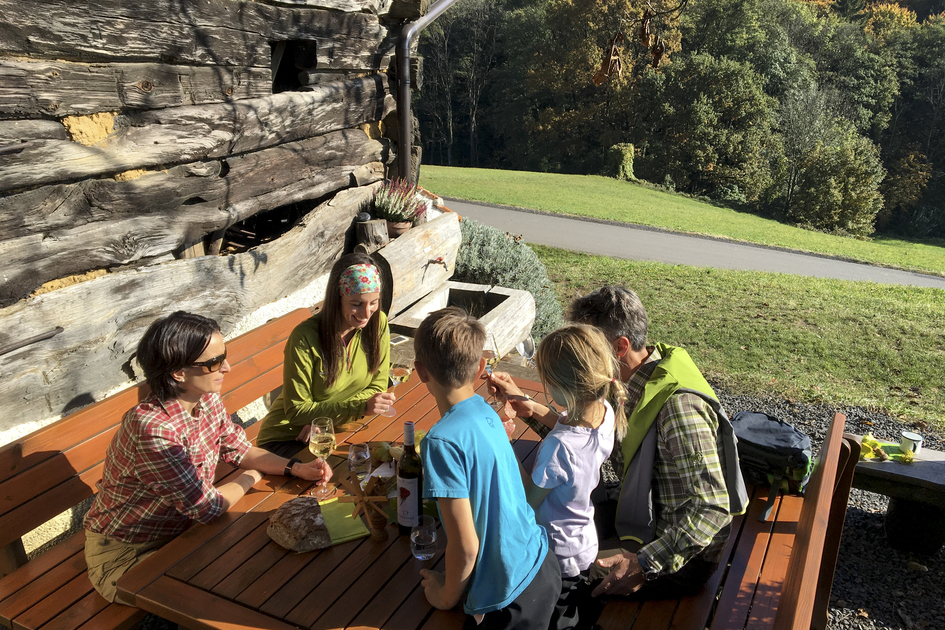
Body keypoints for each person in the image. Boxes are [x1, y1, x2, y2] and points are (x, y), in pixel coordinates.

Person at [492, 285, 746, 601]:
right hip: (643, 513)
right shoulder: (627, 377)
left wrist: (643, 563)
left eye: (588, 348)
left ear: (620, 346)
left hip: (674, 557)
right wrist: (528, 405)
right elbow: (582, 442)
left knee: (530, 570)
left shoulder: (679, 409)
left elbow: (713, 508)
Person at [84, 311, 332, 604]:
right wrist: (251, 476)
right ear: (178, 373)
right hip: (127, 553)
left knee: (262, 560)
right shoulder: (154, 430)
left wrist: (296, 468)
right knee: (230, 583)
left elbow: (239, 448)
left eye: (224, 356)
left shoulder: (204, 398)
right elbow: (209, 507)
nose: (226, 367)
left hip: (183, 529)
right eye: (214, 362)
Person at [414, 307, 561, 630]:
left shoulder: (440, 442)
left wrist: (445, 596)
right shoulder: (487, 411)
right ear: (481, 366)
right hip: (541, 566)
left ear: (421, 372)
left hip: (505, 598)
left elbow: (466, 547)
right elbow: (519, 489)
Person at [520, 324, 627, 630]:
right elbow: (570, 427)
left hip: (556, 552)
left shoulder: (558, 447)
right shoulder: (604, 411)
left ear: (561, 387)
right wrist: (533, 408)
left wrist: (503, 446)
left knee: (560, 619)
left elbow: (528, 500)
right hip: (582, 539)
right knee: (576, 605)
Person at [257, 252, 393, 457]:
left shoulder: (378, 324)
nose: (366, 314)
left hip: (329, 432)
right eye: (356, 304)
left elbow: (377, 386)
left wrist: (324, 421)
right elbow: (297, 411)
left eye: (373, 302)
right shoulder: (304, 337)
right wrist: (358, 408)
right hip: (286, 438)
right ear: (337, 298)